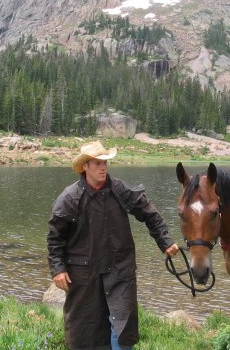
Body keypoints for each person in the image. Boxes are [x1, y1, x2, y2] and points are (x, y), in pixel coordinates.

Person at [47, 141, 179, 350]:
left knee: (122, 327)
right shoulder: (70, 198)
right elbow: (55, 238)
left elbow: (150, 213)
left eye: (105, 163)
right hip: (83, 274)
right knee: (85, 329)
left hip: (120, 270)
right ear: (85, 167)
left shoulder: (120, 190)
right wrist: (58, 269)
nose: (103, 167)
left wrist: (165, 241)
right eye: (98, 163)